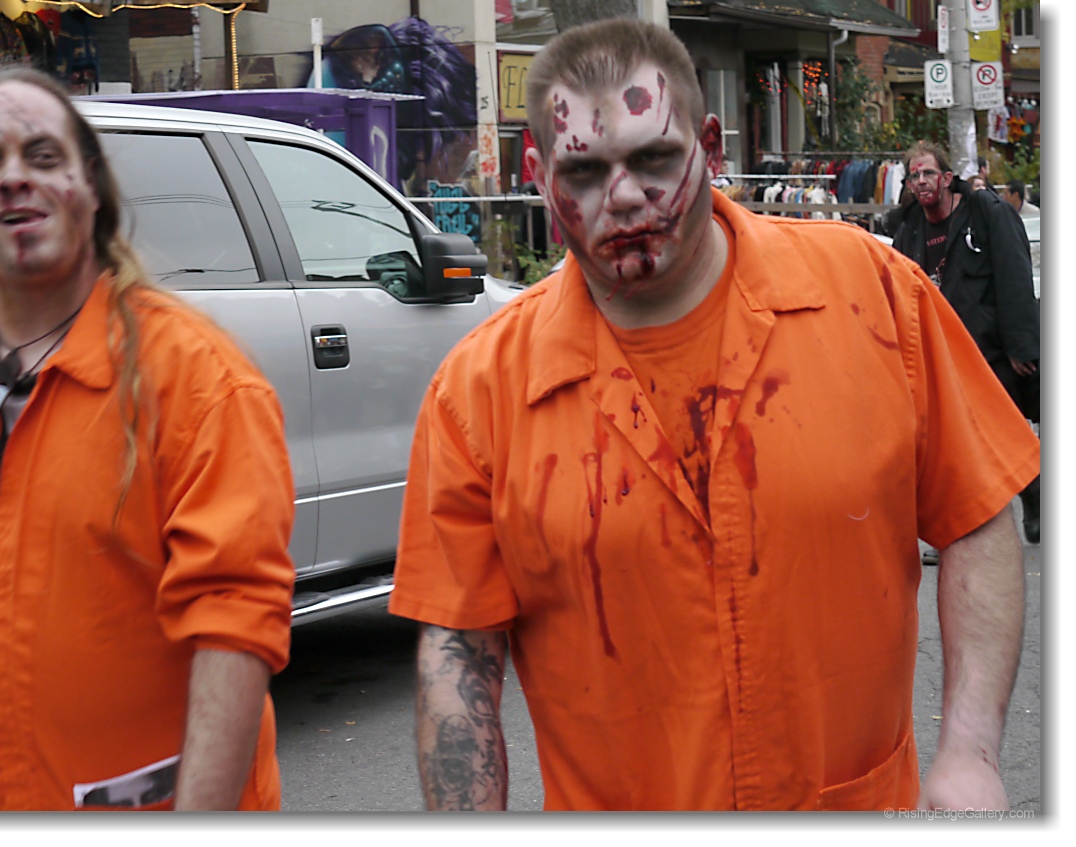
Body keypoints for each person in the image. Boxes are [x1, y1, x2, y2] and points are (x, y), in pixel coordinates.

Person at [389, 19, 1038, 811]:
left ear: (709, 147)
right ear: (537, 174)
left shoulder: (871, 296)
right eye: (584, 170)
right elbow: (457, 650)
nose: (623, 195)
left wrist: (970, 751)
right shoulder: (480, 392)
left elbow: (979, 512)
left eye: (654, 159)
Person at [0, 67, 296, 811]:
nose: (15, 178)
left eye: (44, 156)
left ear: (93, 188)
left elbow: (235, 626)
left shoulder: (197, 379)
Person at [890, 141, 1040, 544]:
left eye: (928, 173)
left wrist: (1021, 345)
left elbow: (1014, 274)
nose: (922, 181)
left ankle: (1033, 492)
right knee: (951, 444)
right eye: (914, 176)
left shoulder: (985, 213)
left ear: (946, 178)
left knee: (1001, 431)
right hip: (940, 354)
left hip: (990, 349)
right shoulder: (908, 230)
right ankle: (960, 529)